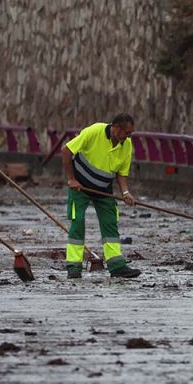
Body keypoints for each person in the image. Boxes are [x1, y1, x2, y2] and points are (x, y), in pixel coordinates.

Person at [61, 113, 141, 279]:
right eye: (127, 132)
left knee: (110, 223)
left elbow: (121, 173)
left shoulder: (126, 145)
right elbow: (66, 151)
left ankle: (117, 266)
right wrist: (71, 179)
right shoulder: (94, 131)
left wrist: (125, 193)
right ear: (116, 127)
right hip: (80, 187)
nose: (129, 136)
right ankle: (74, 267)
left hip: (104, 189)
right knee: (78, 222)